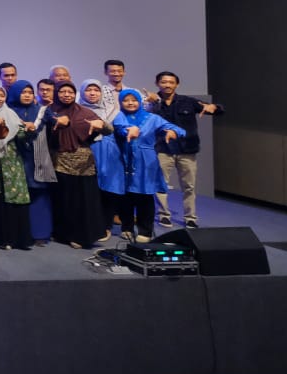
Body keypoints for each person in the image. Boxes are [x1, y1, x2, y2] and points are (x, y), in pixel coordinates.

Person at [147, 70, 223, 229]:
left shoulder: (188, 102)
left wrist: (214, 107)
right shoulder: (151, 103)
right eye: (163, 82)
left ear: (177, 84)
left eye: (171, 82)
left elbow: (217, 110)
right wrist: (155, 103)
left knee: (189, 186)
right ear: (157, 84)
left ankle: (190, 217)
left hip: (187, 150)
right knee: (160, 185)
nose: (167, 85)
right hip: (163, 149)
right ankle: (164, 215)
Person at [44, 80, 109, 249]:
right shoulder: (49, 111)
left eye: (70, 92)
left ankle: (82, 235)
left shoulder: (84, 112)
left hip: (83, 164)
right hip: (59, 161)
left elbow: (109, 130)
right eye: (62, 92)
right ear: (56, 93)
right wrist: (54, 121)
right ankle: (64, 234)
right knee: (64, 200)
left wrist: (102, 125)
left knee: (84, 200)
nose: (67, 95)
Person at [114, 89, 185, 242]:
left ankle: (145, 231)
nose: (130, 103)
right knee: (125, 196)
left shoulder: (152, 118)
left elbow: (177, 129)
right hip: (123, 159)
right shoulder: (119, 116)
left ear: (140, 101)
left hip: (146, 162)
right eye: (126, 100)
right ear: (120, 102)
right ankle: (126, 227)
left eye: (134, 100)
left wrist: (173, 132)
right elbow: (120, 129)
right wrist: (129, 130)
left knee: (145, 196)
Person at [0, 84, 33, 251]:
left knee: (13, 198)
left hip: (11, 162)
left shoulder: (10, 114)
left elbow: (21, 135)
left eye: (1, 95)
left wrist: (28, 130)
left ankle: (16, 239)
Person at [7, 81, 56, 245]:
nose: (27, 95)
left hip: (38, 157)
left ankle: (40, 233)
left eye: (29, 92)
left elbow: (55, 124)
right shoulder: (8, 111)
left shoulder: (42, 110)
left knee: (39, 195)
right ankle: (20, 233)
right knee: (17, 197)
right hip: (16, 157)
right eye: (23, 92)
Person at [81, 79, 123, 242]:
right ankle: (89, 224)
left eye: (96, 90)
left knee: (108, 190)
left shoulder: (113, 110)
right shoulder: (77, 109)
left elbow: (123, 128)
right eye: (88, 90)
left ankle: (105, 225)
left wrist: (131, 130)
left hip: (110, 154)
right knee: (88, 191)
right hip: (86, 152)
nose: (92, 93)